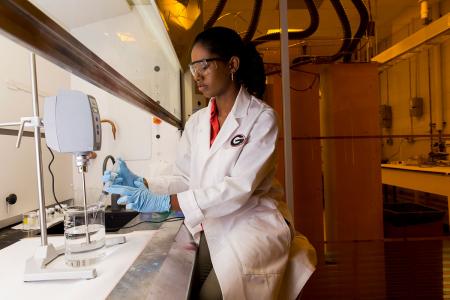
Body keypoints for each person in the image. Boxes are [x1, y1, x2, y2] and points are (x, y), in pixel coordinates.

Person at [104, 26, 316, 300]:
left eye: (204, 65)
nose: (197, 76)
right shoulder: (197, 122)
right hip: (214, 226)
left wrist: (167, 203)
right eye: (193, 68)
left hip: (251, 227)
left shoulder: (261, 118)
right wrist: (143, 183)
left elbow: (238, 189)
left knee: (210, 295)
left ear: (232, 64)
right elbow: (184, 177)